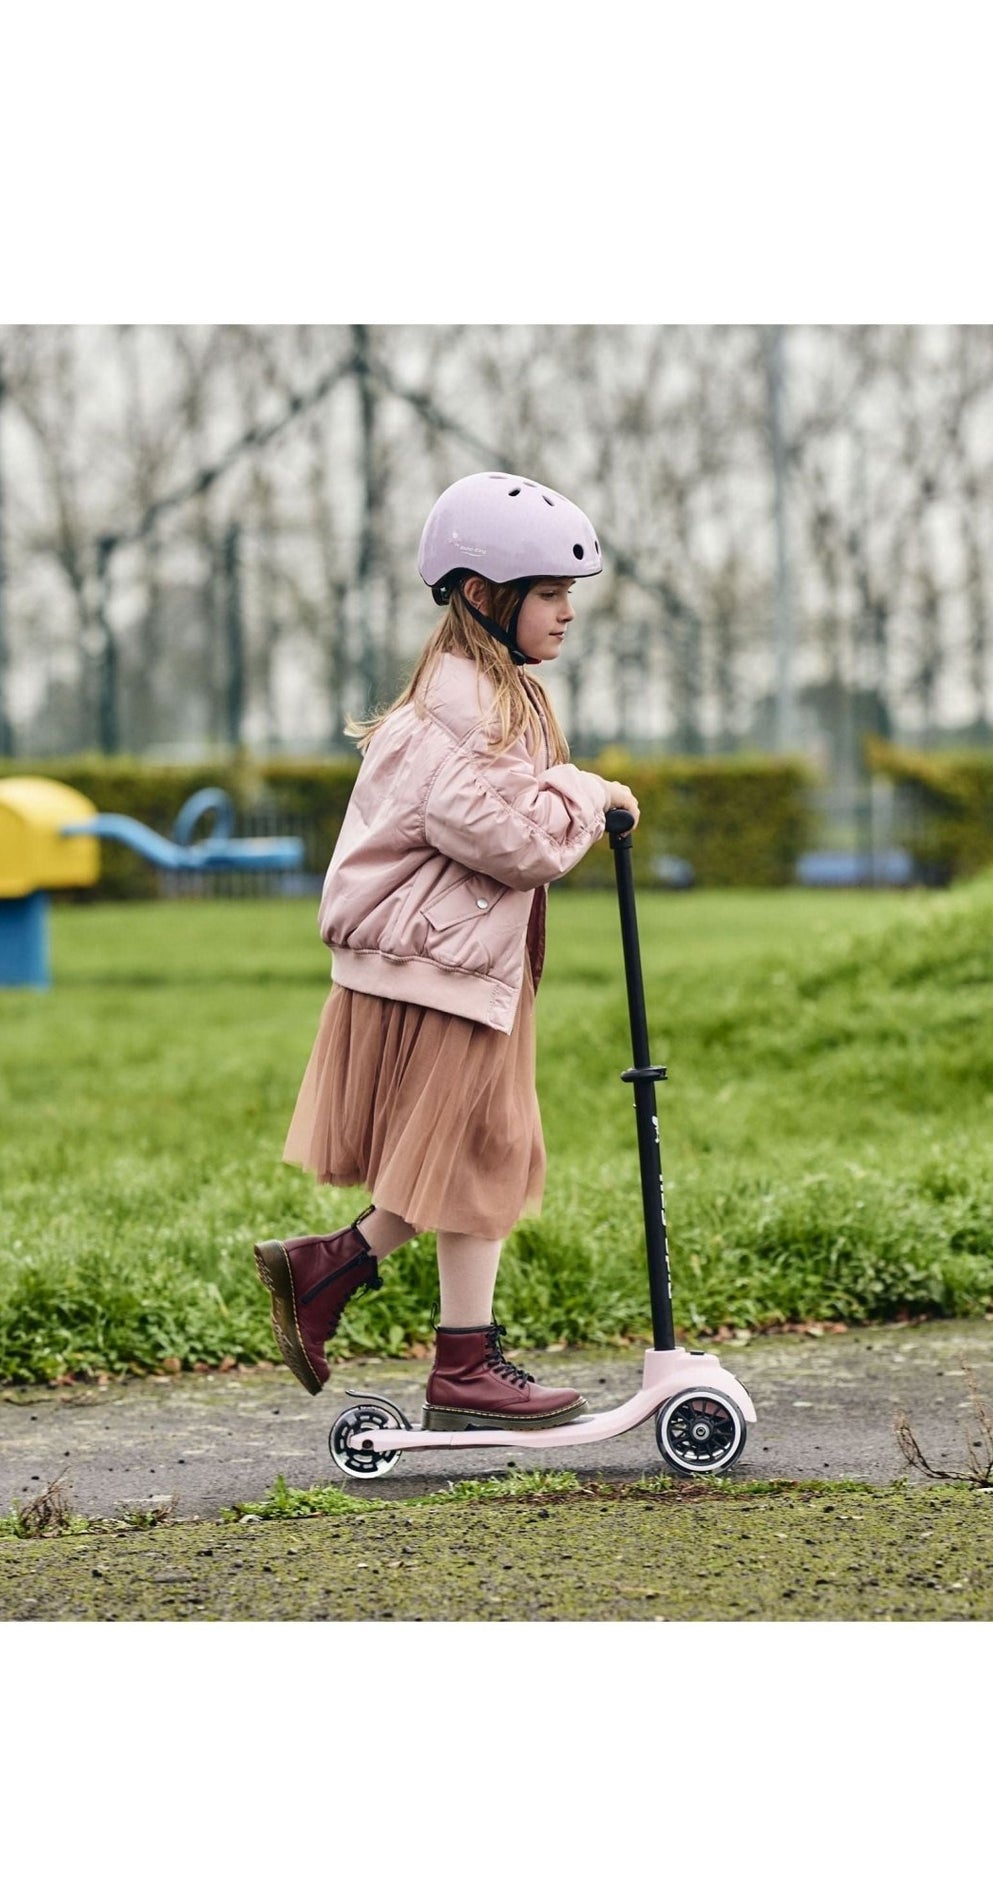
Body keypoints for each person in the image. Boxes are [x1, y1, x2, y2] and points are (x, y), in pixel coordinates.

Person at [254, 472, 638, 1425]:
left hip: (453, 963)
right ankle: (402, 1322)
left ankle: (393, 1312)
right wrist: (590, 795)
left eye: (568, 596)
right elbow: (523, 846)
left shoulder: (487, 696)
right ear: (482, 595)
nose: (566, 614)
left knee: (483, 1154)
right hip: (440, 970)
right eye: (550, 594)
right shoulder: (468, 717)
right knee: (483, 1156)